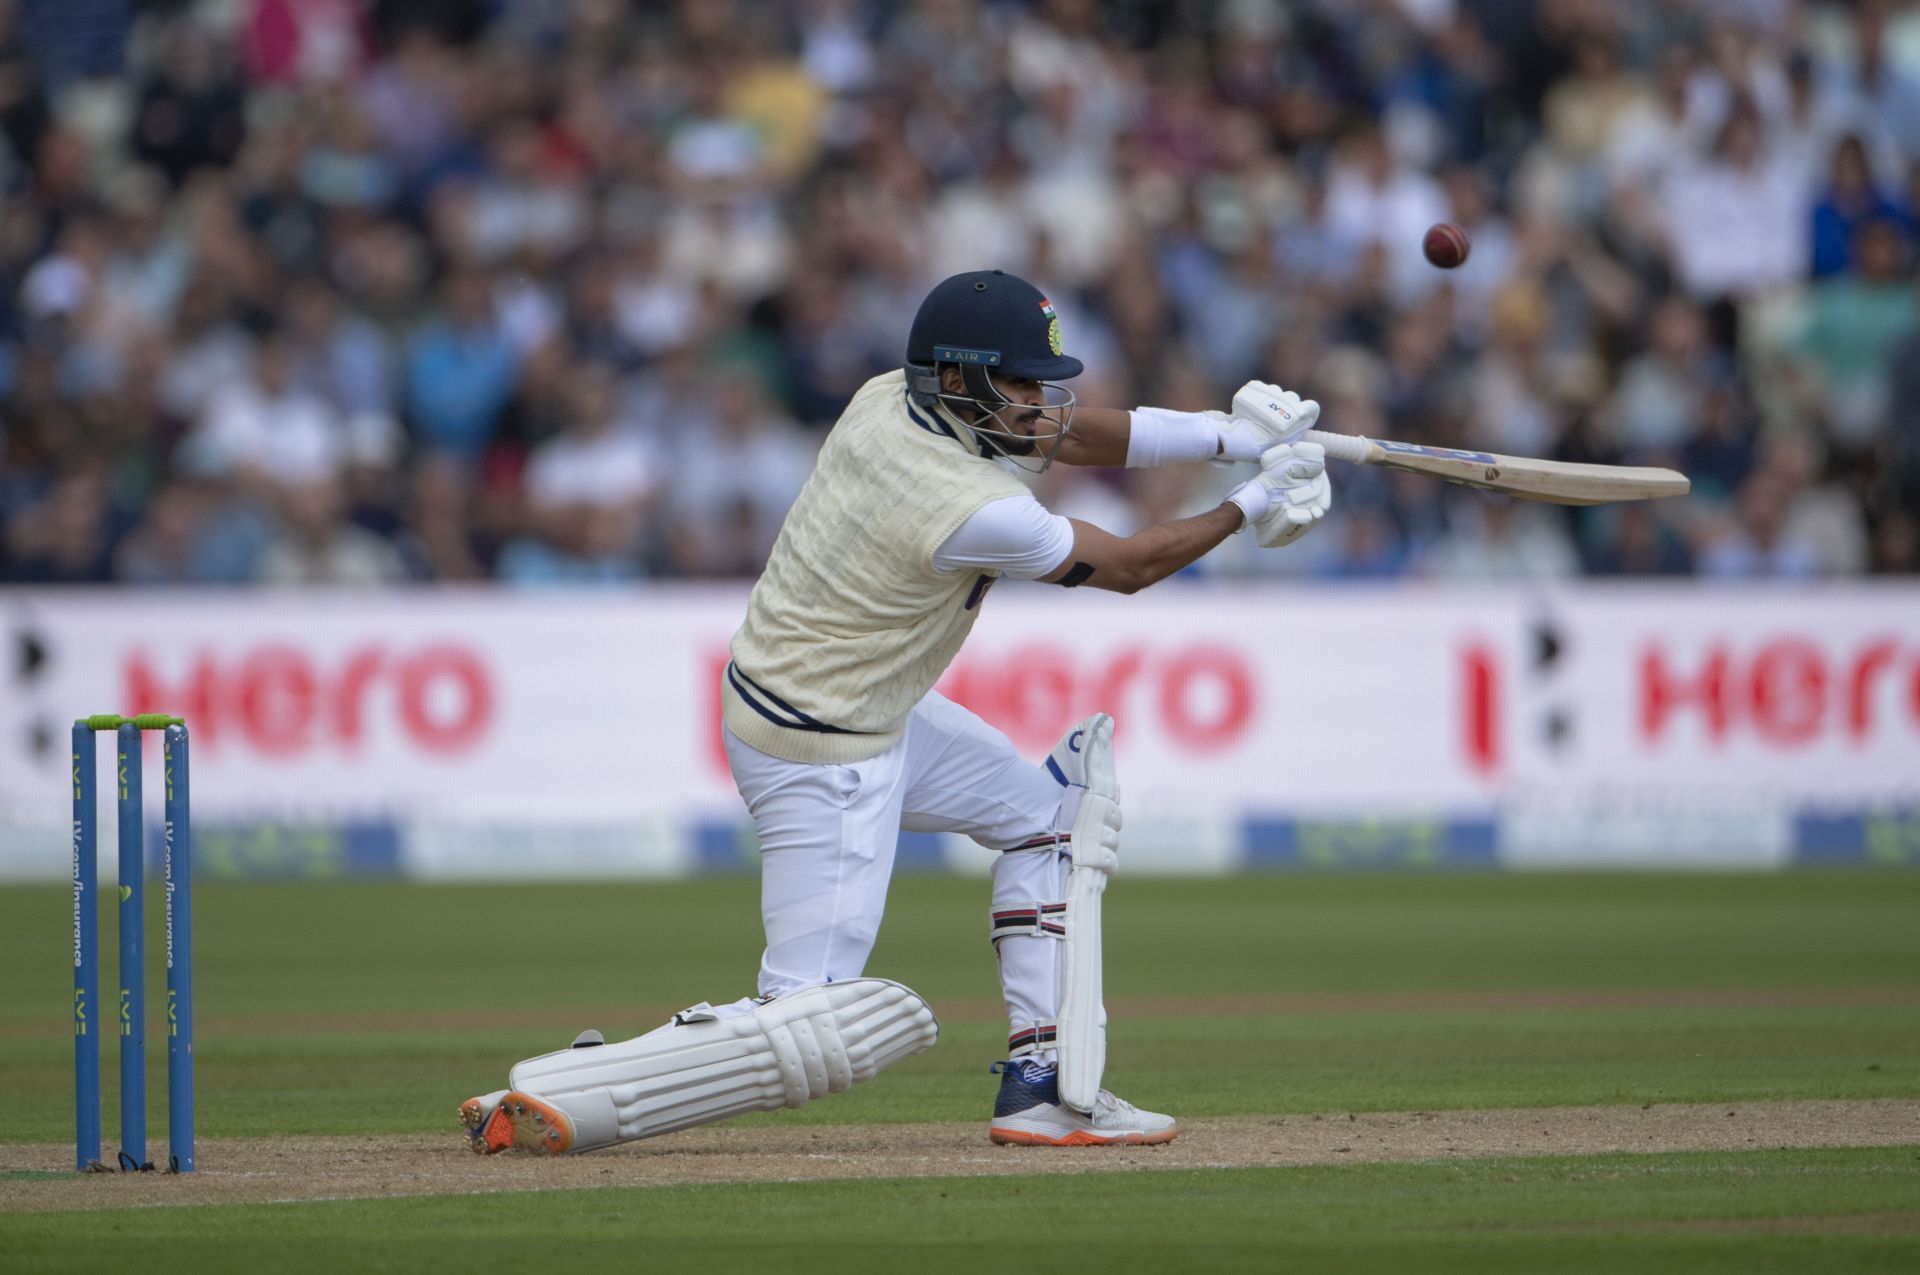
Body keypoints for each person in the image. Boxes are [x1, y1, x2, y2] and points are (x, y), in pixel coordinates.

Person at [461, 270, 1332, 1154]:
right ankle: (588, 1089)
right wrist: (1252, 501)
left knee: (1050, 820)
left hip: (857, 710)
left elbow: (1071, 433)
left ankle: (1044, 1089)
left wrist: (1231, 435)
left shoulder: (890, 397)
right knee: (812, 1018)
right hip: (824, 753)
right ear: (957, 380)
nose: (1040, 403)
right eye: (1020, 383)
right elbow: (1133, 565)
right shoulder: (970, 507)